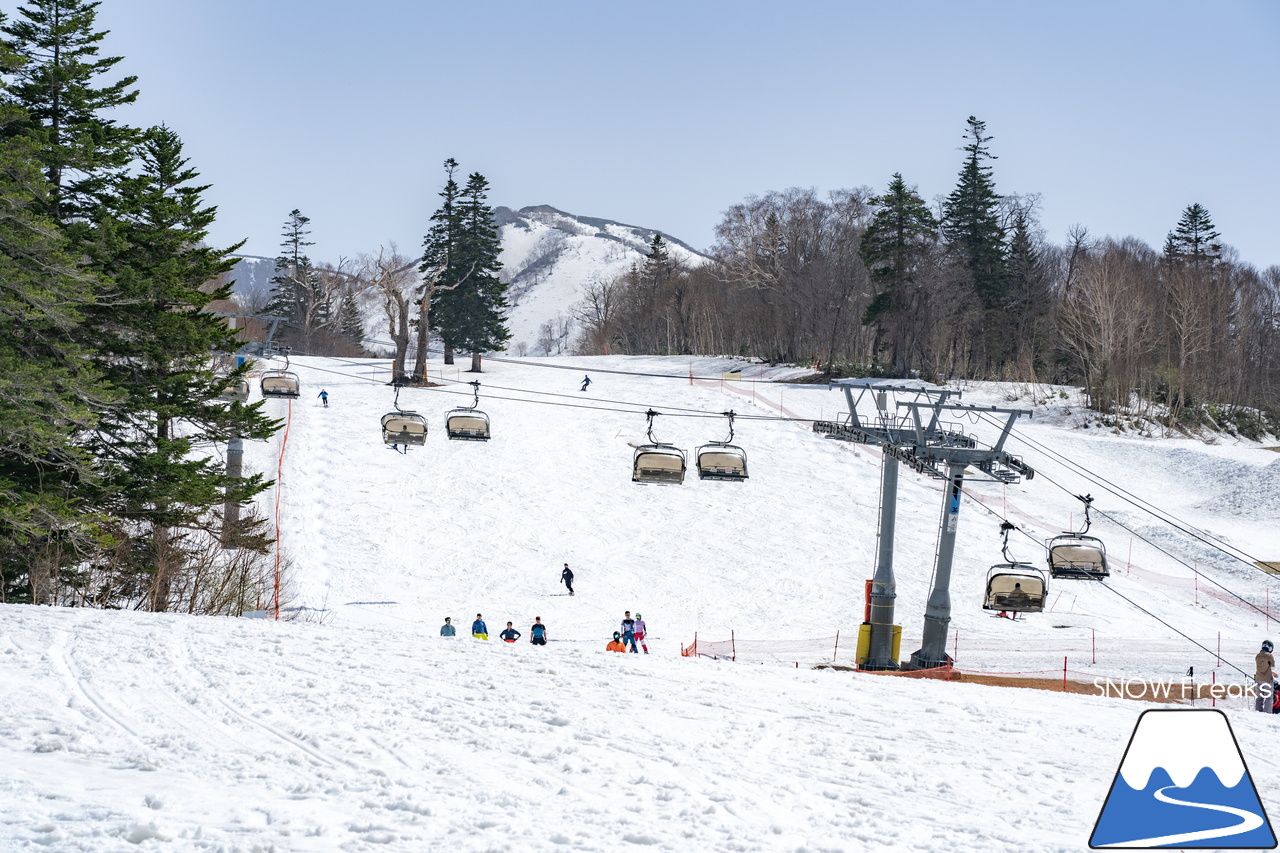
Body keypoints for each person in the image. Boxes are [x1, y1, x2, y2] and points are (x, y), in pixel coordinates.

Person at [1256, 640, 1275, 712]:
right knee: (1268, 697)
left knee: (1259, 697)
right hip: (1267, 679)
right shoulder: (1269, 655)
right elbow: (1272, 667)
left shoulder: (1258, 655)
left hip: (1258, 678)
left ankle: (1258, 712)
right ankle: (1267, 714)